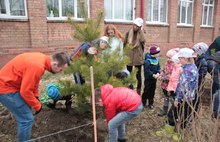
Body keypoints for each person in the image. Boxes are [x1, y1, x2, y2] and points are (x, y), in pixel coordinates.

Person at [0, 52, 70, 142]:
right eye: (60, 70)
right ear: (55, 64)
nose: (60, 72)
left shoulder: (42, 59)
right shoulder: (37, 66)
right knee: (26, 119)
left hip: (13, 85)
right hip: (5, 88)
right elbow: (25, 91)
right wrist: (37, 105)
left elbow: (34, 82)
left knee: (26, 112)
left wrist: (36, 96)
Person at [168, 48, 198, 141]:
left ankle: (178, 135)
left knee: (173, 114)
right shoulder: (192, 66)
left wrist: (177, 99)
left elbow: (183, 87)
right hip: (190, 97)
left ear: (185, 58)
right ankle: (178, 133)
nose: (179, 61)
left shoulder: (187, 71)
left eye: (180, 58)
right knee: (183, 116)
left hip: (184, 98)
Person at [124, 18, 146, 95]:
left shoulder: (141, 33)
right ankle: (130, 90)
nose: (135, 27)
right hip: (129, 56)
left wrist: (141, 31)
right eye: (134, 25)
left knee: (138, 75)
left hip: (137, 57)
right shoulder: (128, 33)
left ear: (140, 26)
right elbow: (125, 44)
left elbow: (143, 41)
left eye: (137, 26)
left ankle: (138, 92)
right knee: (128, 74)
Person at [157, 48, 180, 116]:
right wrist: (160, 75)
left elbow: (173, 76)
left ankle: (174, 111)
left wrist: (163, 77)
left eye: (169, 58)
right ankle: (165, 109)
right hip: (164, 84)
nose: (168, 59)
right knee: (165, 96)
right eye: (167, 57)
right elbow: (163, 70)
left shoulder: (176, 65)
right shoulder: (167, 63)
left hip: (171, 86)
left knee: (172, 98)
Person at [142, 44, 161, 110]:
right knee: (146, 91)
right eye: (158, 53)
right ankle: (143, 103)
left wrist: (158, 72)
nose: (159, 54)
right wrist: (153, 75)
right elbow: (147, 70)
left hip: (154, 79)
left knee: (152, 91)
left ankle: (151, 103)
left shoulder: (156, 60)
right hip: (148, 79)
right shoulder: (148, 61)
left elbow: (158, 67)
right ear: (154, 53)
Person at [192, 42, 208, 112]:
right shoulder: (196, 60)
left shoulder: (203, 62)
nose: (193, 52)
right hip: (194, 83)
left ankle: (195, 111)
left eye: (194, 51)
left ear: (199, 52)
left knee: (196, 98)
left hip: (198, 84)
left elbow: (202, 75)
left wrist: (198, 84)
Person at [206, 51, 220, 118]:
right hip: (214, 64)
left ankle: (213, 98)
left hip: (209, 62)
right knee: (219, 89)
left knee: (215, 81)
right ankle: (215, 112)